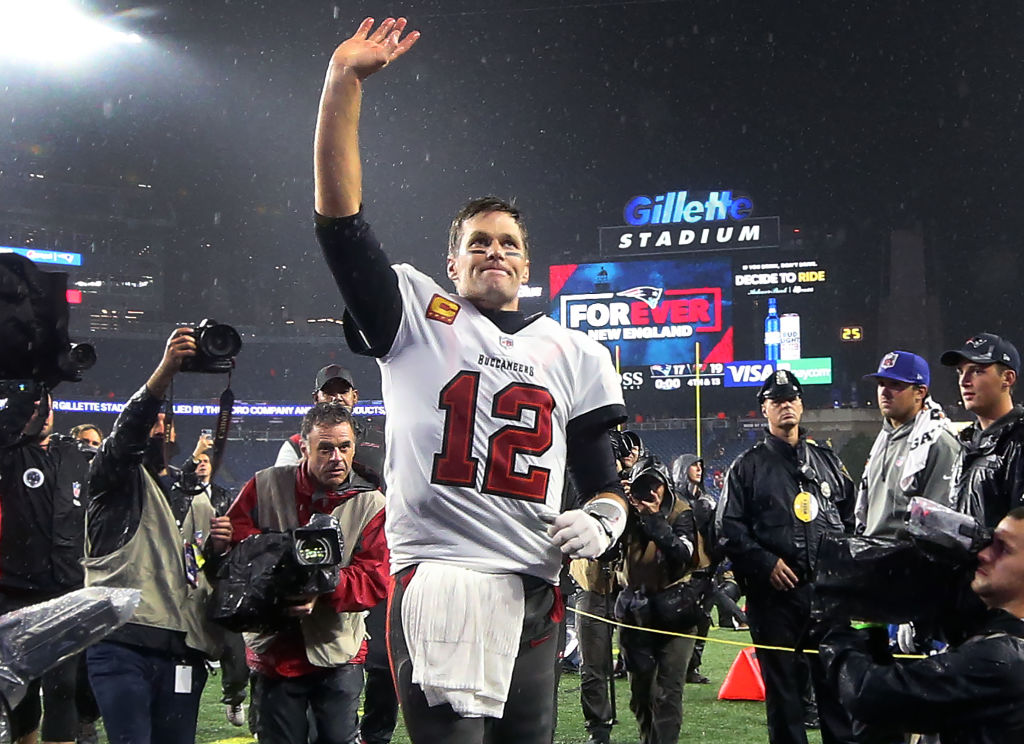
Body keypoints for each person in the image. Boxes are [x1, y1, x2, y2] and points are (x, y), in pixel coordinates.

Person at [313, 16, 629, 743]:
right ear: (452, 263)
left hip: (534, 584)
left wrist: (606, 518)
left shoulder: (576, 352)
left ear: (526, 264)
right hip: (440, 576)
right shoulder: (421, 313)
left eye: (508, 243)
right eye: (477, 242)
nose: (495, 251)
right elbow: (341, 224)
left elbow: (602, 478)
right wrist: (342, 86)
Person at [83, 327, 233, 744]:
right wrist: (164, 374)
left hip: (182, 648)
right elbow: (127, 436)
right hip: (123, 641)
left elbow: (194, 570)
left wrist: (217, 552)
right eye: (152, 422)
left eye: (163, 423)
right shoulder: (112, 479)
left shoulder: (189, 493)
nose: (156, 428)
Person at [227, 402, 388, 744]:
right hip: (274, 649)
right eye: (325, 448)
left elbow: (375, 579)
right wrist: (277, 587)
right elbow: (235, 558)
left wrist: (324, 584)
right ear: (304, 447)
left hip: (338, 650)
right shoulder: (264, 486)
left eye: (345, 447)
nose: (337, 458)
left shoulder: (372, 503)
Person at [715, 369, 856, 744]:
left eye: (791, 398)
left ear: (802, 404)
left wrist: (839, 568)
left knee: (835, 692)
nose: (785, 405)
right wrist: (765, 563)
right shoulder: (747, 466)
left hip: (825, 596)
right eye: (776, 400)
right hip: (774, 598)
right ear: (764, 409)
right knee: (785, 699)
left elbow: (850, 519)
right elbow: (727, 529)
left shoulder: (827, 460)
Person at [820, 507, 1024, 743]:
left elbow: (868, 694)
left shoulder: (1002, 660)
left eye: (1003, 549)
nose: (984, 554)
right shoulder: (1001, 638)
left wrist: (837, 626)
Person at [0, 395, 91, 744]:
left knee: (63, 687)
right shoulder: (9, 453)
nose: (44, 415)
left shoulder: (73, 455)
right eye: (36, 408)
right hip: (16, 590)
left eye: (48, 407)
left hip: (66, 589)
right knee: (20, 685)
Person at [616, 456, 701, 744]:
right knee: (641, 694)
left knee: (668, 693)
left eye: (656, 484)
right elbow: (602, 549)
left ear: (665, 484)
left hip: (675, 611)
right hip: (635, 612)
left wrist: (654, 519)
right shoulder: (626, 511)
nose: (651, 492)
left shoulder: (682, 511)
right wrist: (618, 502)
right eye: (643, 485)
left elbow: (684, 554)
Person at [567, 430, 639, 744]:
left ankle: (646, 718)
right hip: (592, 581)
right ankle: (598, 726)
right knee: (593, 661)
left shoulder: (635, 486)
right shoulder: (576, 485)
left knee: (640, 658)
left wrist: (631, 502)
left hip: (630, 583)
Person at [856, 350, 960, 536]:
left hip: (909, 559)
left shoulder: (938, 442)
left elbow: (939, 523)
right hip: (873, 556)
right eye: (881, 384)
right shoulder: (883, 439)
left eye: (895, 385)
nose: (885, 392)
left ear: (920, 392)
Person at [941, 332, 1024, 529]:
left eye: (977, 371)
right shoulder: (969, 441)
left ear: (1007, 378)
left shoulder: (1019, 440)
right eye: (960, 372)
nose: (964, 381)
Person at [274, 364, 386, 487]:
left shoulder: (382, 441)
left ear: (355, 396)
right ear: (316, 398)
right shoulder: (296, 445)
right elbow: (280, 494)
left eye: (343, 391)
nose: (337, 398)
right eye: (329, 392)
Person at [671, 453, 717, 684]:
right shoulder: (675, 501)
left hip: (706, 568)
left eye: (701, 465)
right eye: (693, 465)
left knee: (703, 620)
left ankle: (692, 668)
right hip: (684, 571)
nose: (698, 469)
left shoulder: (707, 498)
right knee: (682, 622)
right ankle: (678, 667)